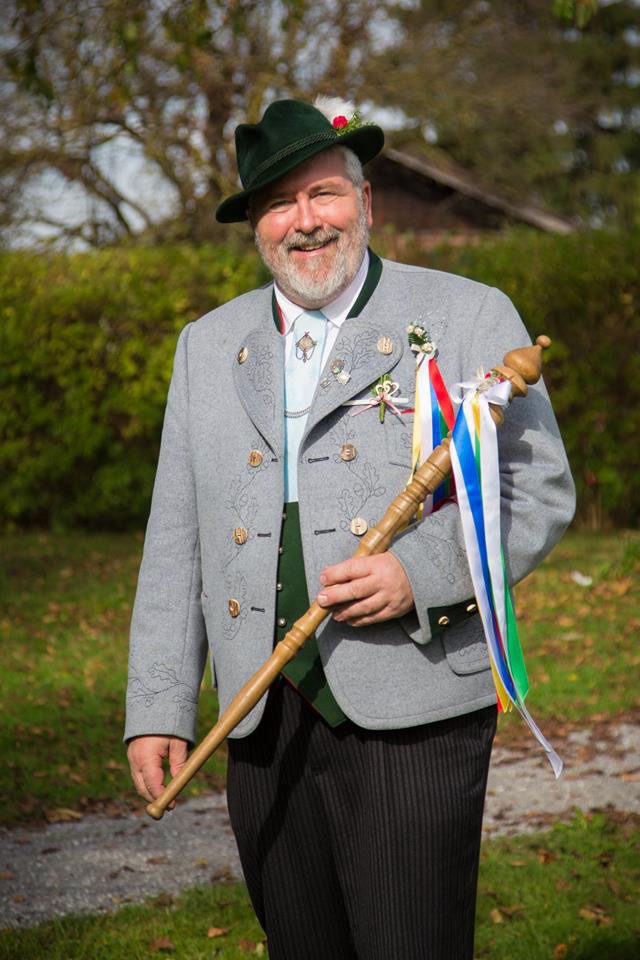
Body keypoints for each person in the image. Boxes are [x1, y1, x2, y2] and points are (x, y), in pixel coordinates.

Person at [125, 98, 575, 959]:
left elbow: (537, 488)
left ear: (364, 201)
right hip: (259, 717)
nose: (305, 222)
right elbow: (176, 537)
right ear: (255, 225)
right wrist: (156, 705)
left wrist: (419, 574)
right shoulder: (205, 346)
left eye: (322, 194)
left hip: (413, 704)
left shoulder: (468, 314)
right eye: (278, 204)